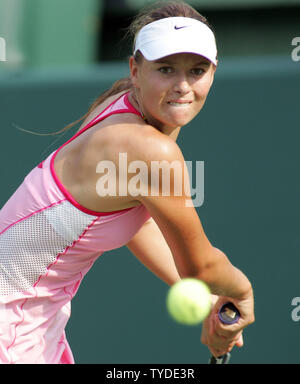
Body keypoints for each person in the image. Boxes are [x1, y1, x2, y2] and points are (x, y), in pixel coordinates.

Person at [0, 1, 254, 364]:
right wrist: (242, 291)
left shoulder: (132, 109)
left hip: (35, 323)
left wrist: (213, 302)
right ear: (135, 69)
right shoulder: (149, 147)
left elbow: (137, 222)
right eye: (165, 69)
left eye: (197, 70)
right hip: (12, 328)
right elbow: (201, 268)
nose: (182, 86)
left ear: (214, 71)